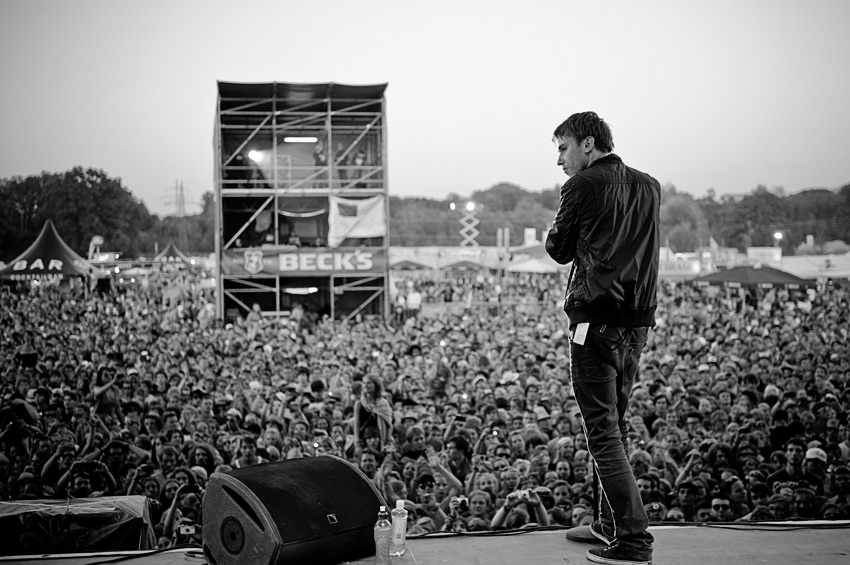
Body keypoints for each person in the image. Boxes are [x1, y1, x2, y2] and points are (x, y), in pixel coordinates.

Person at [545, 111, 659, 565]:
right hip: (637, 320)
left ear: (588, 144)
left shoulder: (582, 186)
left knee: (602, 433)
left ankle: (632, 539)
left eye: (563, 148)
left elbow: (559, 249)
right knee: (618, 424)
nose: (560, 160)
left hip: (596, 319)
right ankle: (609, 523)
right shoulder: (649, 185)